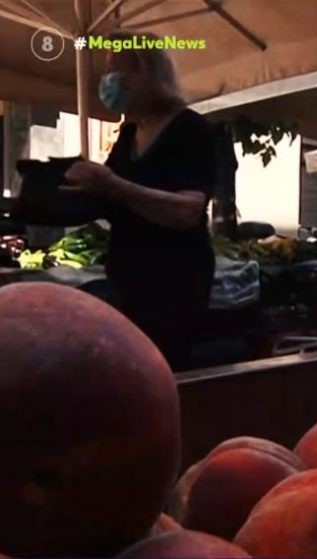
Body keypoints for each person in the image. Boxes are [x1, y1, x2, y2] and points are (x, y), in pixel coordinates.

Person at [61, 32, 217, 371]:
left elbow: (187, 210)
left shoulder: (191, 130)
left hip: (174, 283)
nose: (107, 81)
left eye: (115, 70)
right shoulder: (129, 134)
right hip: (127, 278)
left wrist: (111, 183)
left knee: (162, 373)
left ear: (146, 74)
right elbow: (108, 195)